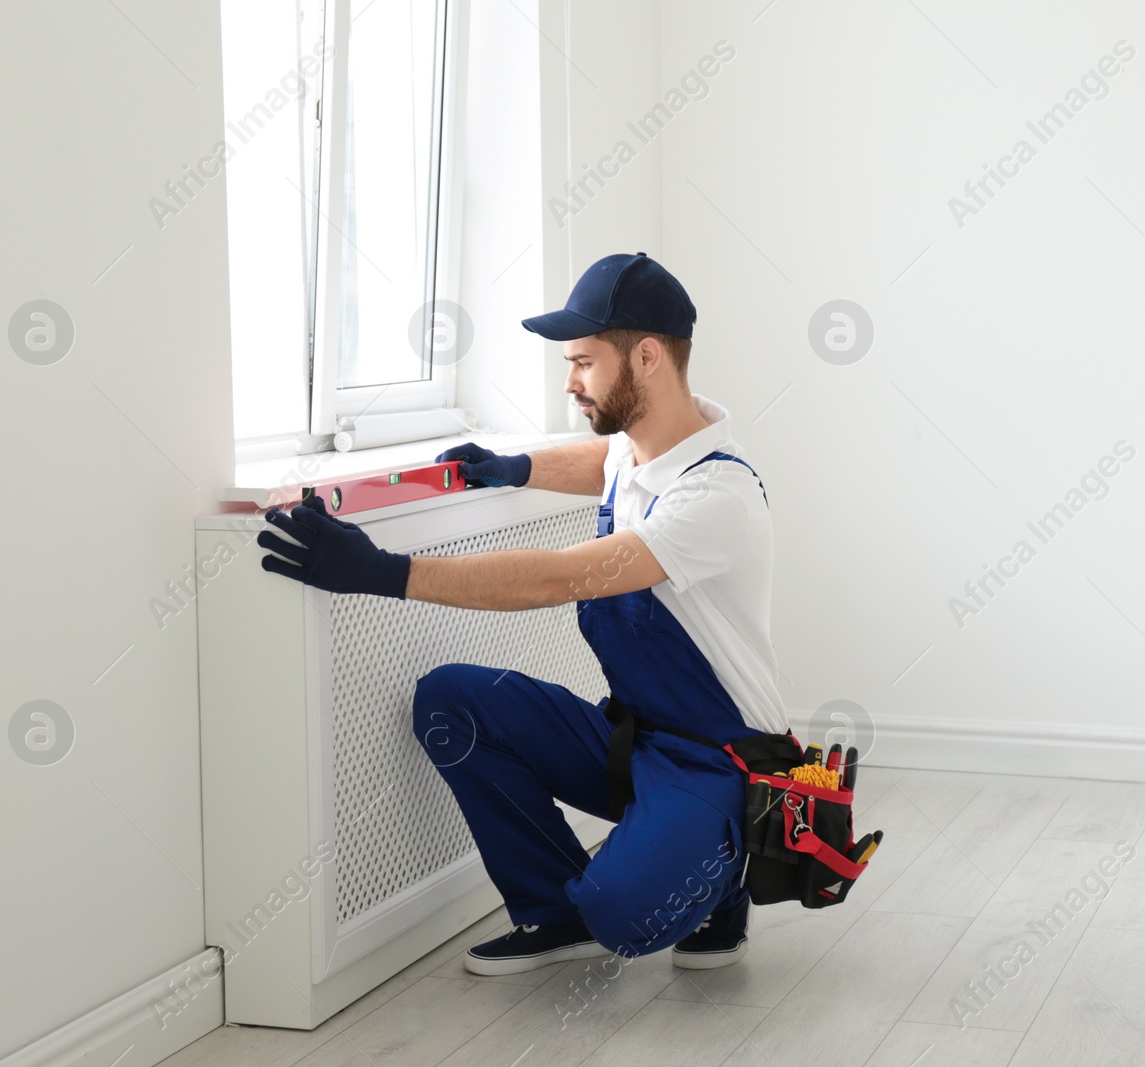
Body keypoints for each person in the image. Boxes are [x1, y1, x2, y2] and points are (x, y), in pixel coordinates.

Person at [257, 251, 787, 975]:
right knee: (452, 701)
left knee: (626, 915)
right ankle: (553, 911)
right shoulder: (640, 453)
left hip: (720, 761)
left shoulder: (716, 497)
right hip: (639, 742)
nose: (569, 381)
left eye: (583, 362)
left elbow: (559, 577)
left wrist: (382, 571)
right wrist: (515, 467)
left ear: (649, 357)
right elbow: (596, 462)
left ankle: (727, 871)